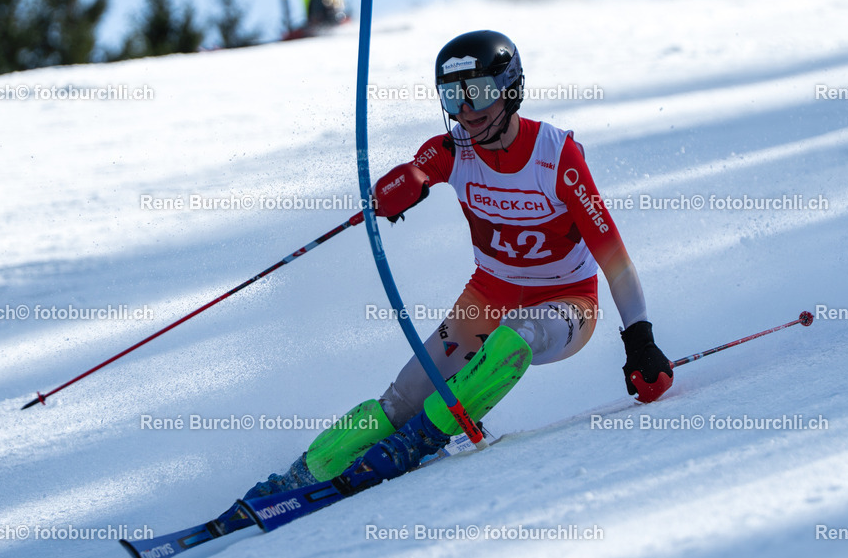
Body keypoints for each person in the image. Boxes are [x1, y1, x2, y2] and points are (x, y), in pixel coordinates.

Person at [244, 30, 673, 498]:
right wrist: (400, 187)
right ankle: (307, 470)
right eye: (452, 96)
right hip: (489, 294)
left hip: (567, 301)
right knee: (403, 398)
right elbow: (417, 171)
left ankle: (426, 438)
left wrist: (640, 340)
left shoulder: (556, 155)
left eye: (479, 91)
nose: (467, 109)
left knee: (515, 338)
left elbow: (614, 257)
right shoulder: (454, 148)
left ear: (510, 88)